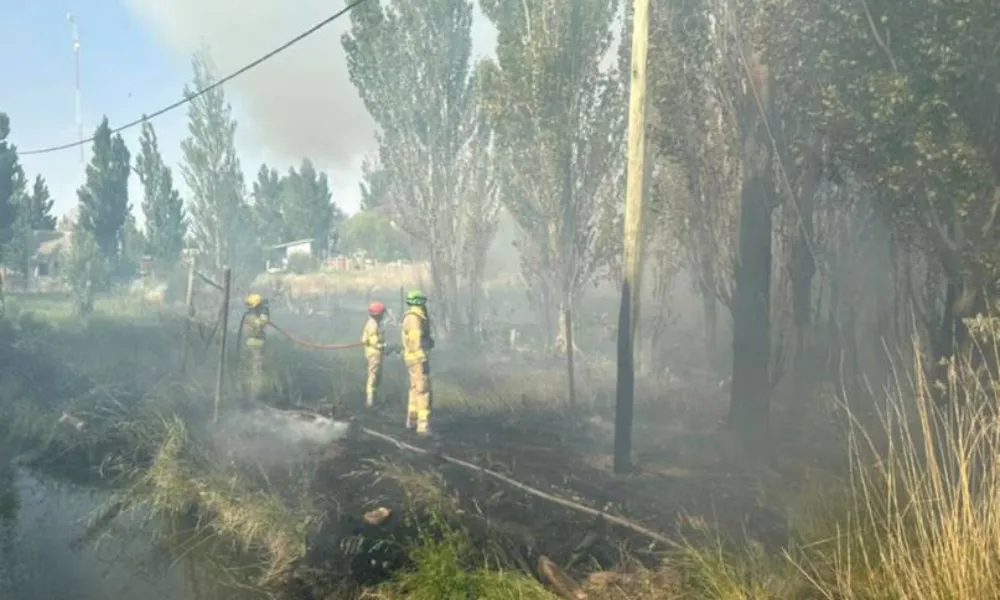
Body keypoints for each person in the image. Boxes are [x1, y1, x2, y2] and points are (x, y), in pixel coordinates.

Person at [400, 290, 434, 434]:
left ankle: (412, 419)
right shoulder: (415, 318)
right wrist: (422, 358)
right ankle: (423, 425)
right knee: (423, 391)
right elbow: (416, 341)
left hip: (411, 358)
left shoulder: (413, 317)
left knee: (415, 388)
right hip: (417, 358)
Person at [242, 292, 270, 404]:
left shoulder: (253, 314)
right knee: (253, 370)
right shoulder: (253, 315)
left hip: (254, 345)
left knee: (254, 370)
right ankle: (252, 396)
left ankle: (254, 394)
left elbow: (260, 324)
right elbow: (259, 324)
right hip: (253, 345)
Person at [361, 301, 388, 407]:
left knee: (376, 377)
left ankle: (373, 399)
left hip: (373, 353)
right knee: (373, 376)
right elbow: (374, 342)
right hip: (374, 354)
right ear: (378, 314)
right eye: (382, 314)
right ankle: (370, 401)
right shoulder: (373, 325)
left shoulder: (372, 323)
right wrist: (385, 346)